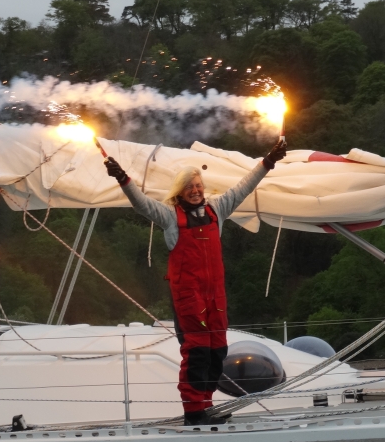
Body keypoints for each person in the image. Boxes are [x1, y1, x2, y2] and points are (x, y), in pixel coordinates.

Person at [104, 140, 286, 426]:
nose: (195, 190)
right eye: (189, 186)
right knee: (197, 355)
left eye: (198, 185)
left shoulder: (217, 210)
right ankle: (193, 412)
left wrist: (268, 161)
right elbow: (141, 205)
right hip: (190, 302)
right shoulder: (170, 218)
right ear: (180, 191)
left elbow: (244, 187)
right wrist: (122, 178)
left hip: (216, 299)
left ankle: (205, 406)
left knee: (217, 354)